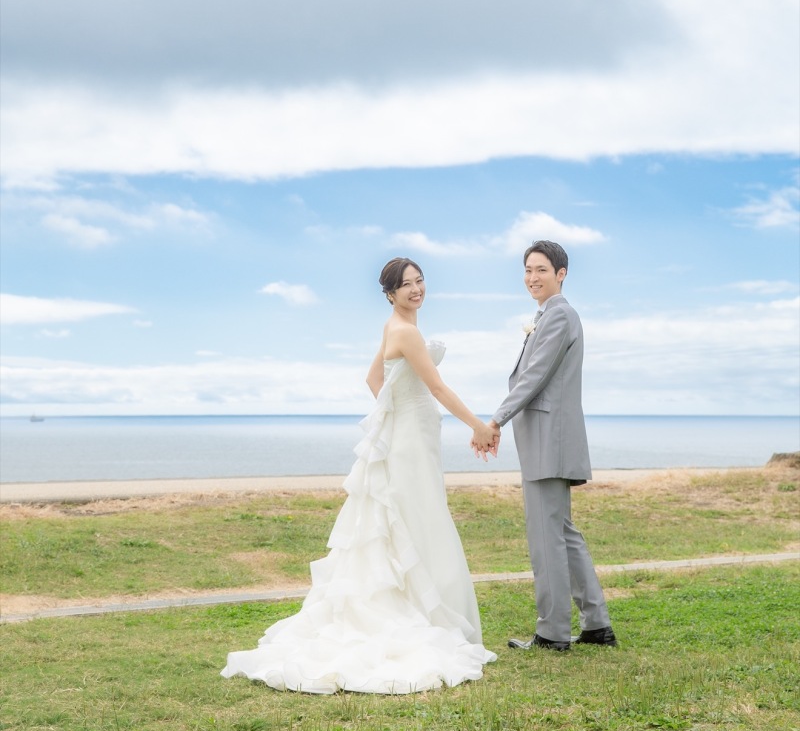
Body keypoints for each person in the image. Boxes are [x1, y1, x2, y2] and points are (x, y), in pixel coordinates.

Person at [221, 257, 498, 693]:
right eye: (405, 285)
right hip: (410, 441)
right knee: (420, 519)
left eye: (420, 280)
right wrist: (478, 426)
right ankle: (421, 612)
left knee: (412, 519)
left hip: (410, 435)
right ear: (389, 293)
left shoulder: (395, 327)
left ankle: (419, 604)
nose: (416, 289)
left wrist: (394, 413)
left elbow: (373, 378)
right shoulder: (405, 331)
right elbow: (437, 387)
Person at [476, 240, 616, 652]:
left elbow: (534, 376)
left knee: (546, 537)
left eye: (541, 270)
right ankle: (596, 624)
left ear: (561, 274)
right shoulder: (550, 315)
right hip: (547, 438)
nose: (532, 278)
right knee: (563, 533)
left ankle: (553, 632)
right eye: (527, 270)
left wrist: (495, 420)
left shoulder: (559, 316)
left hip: (548, 440)